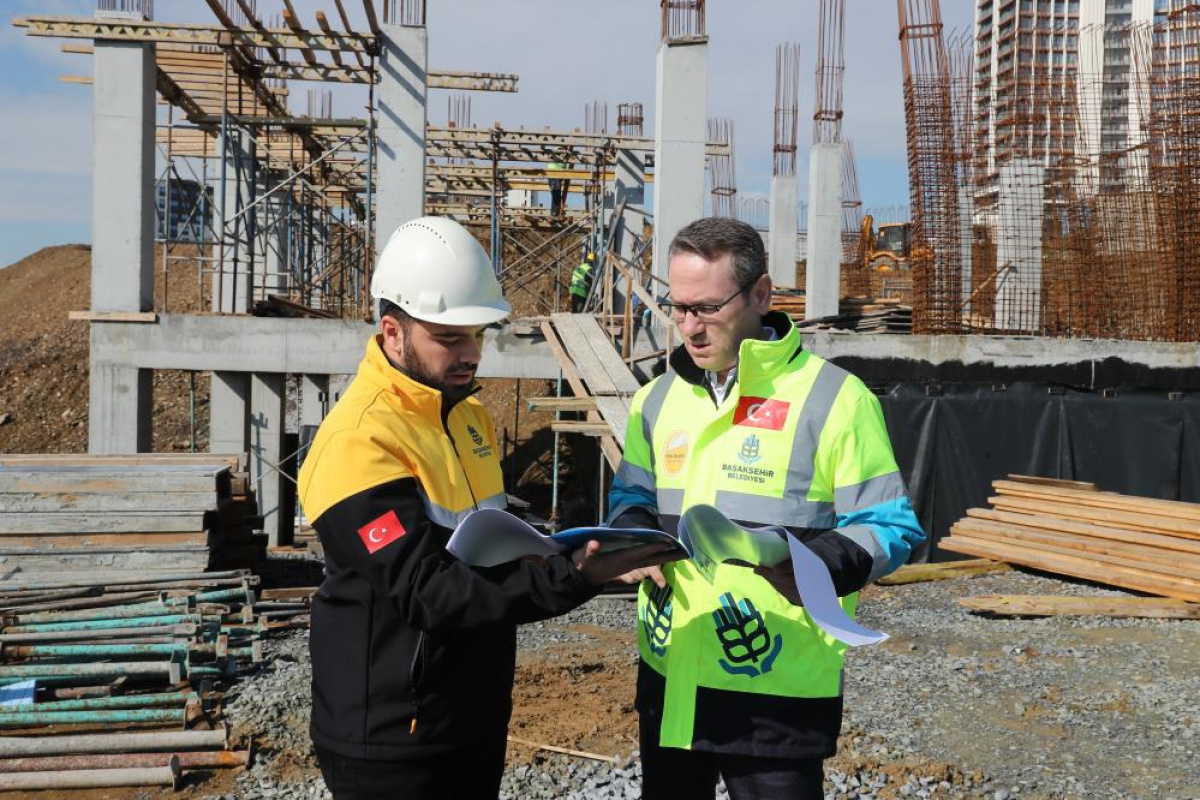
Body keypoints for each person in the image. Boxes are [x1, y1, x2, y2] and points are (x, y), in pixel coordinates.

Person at [298, 216, 679, 800]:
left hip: (468, 720)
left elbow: (497, 548)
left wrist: (587, 549)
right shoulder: (360, 439)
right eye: (449, 338)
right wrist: (572, 577)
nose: (471, 353)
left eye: (478, 333)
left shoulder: (467, 417)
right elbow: (427, 590)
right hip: (391, 741)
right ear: (392, 332)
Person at [607, 217, 926, 800]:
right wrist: (630, 539)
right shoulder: (654, 400)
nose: (688, 328)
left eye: (706, 308)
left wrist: (814, 565)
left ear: (760, 295)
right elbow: (632, 499)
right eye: (677, 308)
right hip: (670, 676)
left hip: (776, 692)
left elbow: (890, 526)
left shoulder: (835, 399)